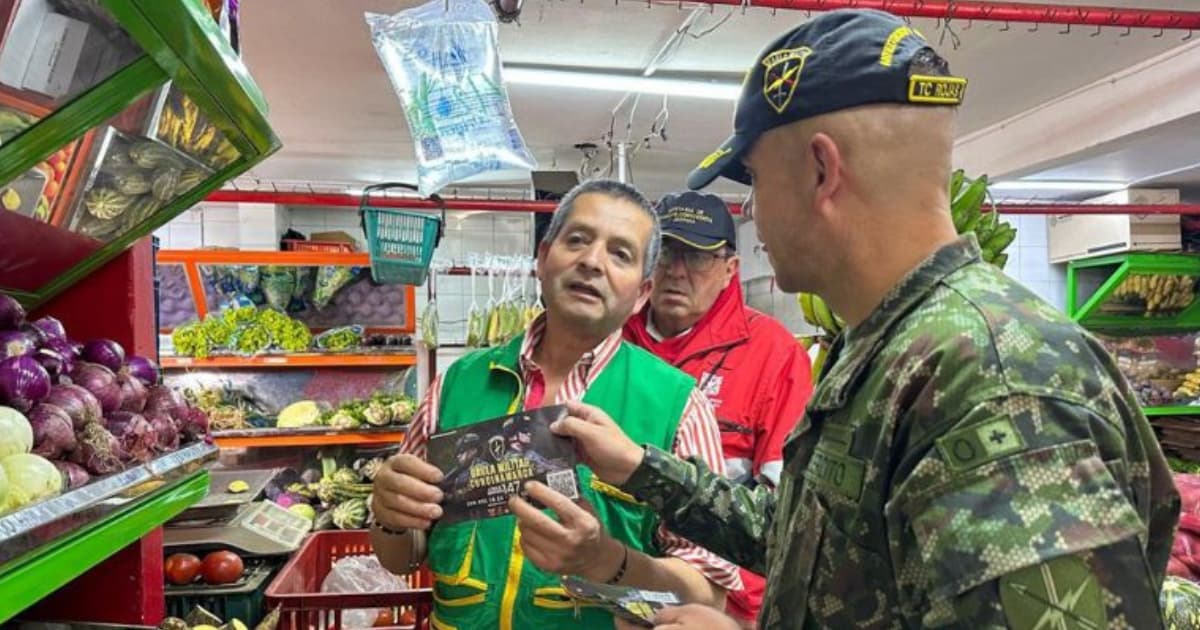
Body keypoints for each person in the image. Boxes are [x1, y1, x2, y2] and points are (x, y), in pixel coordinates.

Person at [550, 9, 1181, 629]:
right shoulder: (888, 348)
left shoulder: (992, 379)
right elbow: (816, 547)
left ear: (821, 172)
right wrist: (638, 467)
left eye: (757, 181)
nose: (753, 214)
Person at [369, 179, 742, 630]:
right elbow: (402, 557)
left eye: (620, 254)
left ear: (642, 293)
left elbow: (710, 595)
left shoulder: (677, 405)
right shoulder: (457, 383)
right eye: (577, 240)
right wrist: (389, 518)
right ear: (543, 258)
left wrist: (607, 560)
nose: (592, 261)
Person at [623, 191, 812, 627]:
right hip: (611, 587)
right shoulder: (612, 341)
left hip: (724, 605)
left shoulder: (774, 354)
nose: (676, 271)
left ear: (730, 270)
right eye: (665, 253)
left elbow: (783, 509)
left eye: (696, 257)